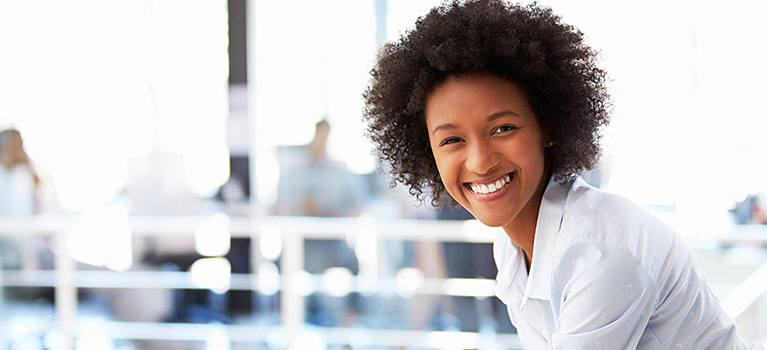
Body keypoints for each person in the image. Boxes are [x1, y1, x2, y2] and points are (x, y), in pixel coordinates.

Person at [363, 1, 764, 349]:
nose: (480, 162)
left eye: (503, 128)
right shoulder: (515, 244)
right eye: (452, 140)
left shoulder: (597, 251)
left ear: (549, 126)